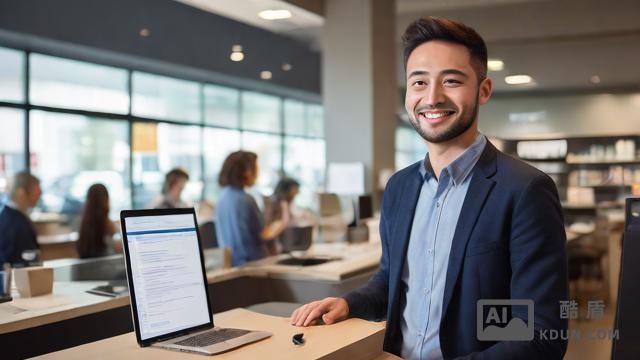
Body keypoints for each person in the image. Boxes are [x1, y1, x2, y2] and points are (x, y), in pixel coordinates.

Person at [290, 17, 568, 359]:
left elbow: (540, 335)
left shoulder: (524, 190)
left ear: (483, 90)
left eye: (451, 80)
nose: (432, 97)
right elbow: (392, 281)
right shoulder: (400, 187)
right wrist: (349, 303)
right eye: (419, 82)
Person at [215, 151, 289, 266]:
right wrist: (281, 224)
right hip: (254, 264)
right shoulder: (246, 199)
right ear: (247, 172)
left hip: (231, 264)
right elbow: (263, 235)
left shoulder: (222, 197)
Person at [0, 172, 42, 267]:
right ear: (21, 191)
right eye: (36, 189)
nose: (40, 194)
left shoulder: (9, 216)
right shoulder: (15, 223)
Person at [76, 183, 120, 258]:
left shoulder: (84, 223)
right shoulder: (108, 225)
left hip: (88, 267)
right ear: (106, 199)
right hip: (107, 266)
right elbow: (118, 248)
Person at [263, 177, 300, 255]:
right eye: (295, 190)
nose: (297, 193)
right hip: (274, 248)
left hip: (282, 246)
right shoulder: (277, 203)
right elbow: (283, 223)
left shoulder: (284, 203)